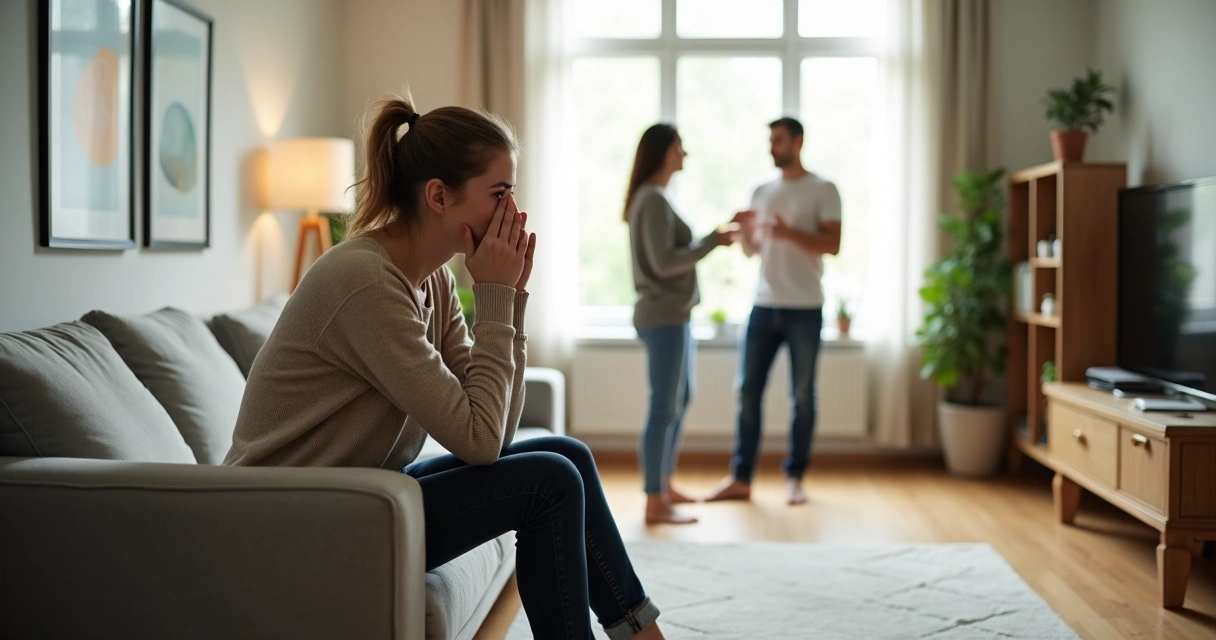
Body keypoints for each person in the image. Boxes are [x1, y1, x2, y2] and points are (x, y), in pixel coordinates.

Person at [225, 93, 667, 640]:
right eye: (499, 194)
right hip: (293, 521)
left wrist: (510, 298)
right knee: (548, 481)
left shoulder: (430, 277)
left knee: (563, 452)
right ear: (439, 196)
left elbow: (493, 430)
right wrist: (499, 295)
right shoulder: (365, 283)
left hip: (360, 495)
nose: (513, 213)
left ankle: (640, 633)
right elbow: (481, 442)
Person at [704, 116, 842, 507]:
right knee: (747, 392)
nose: (772, 146)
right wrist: (744, 233)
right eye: (770, 140)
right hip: (763, 305)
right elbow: (754, 251)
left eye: (778, 140)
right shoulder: (761, 190)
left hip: (805, 307)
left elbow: (833, 244)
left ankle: (795, 478)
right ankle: (741, 478)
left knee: (802, 396)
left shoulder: (823, 188)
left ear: (797, 141)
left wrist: (789, 232)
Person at [625, 124, 752, 525]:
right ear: (663, 152)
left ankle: (662, 483)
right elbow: (665, 262)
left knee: (679, 398)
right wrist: (713, 241)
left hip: (673, 315)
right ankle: (653, 500)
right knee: (663, 405)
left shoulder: (655, 198)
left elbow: (673, 252)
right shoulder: (651, 199)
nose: (685, 153)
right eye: (680, 146)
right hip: (663, 316)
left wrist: (715, 234)